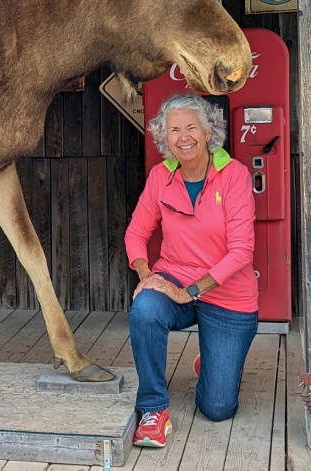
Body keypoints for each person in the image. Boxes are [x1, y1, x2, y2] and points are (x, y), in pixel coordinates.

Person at [124, 93, 258, 447]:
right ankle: (153, 408)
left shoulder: (234, 176)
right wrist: (146, 276)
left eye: (191, 128)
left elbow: (242, 250)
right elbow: (136, 234)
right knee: (145, 307)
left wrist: (191, 291)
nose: (183, 137)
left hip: (228, 295)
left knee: (217, 407)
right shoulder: (160, 177)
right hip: (174, 278)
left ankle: (211, 362)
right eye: (174, 130)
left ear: (208, 131)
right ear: (164, 138)